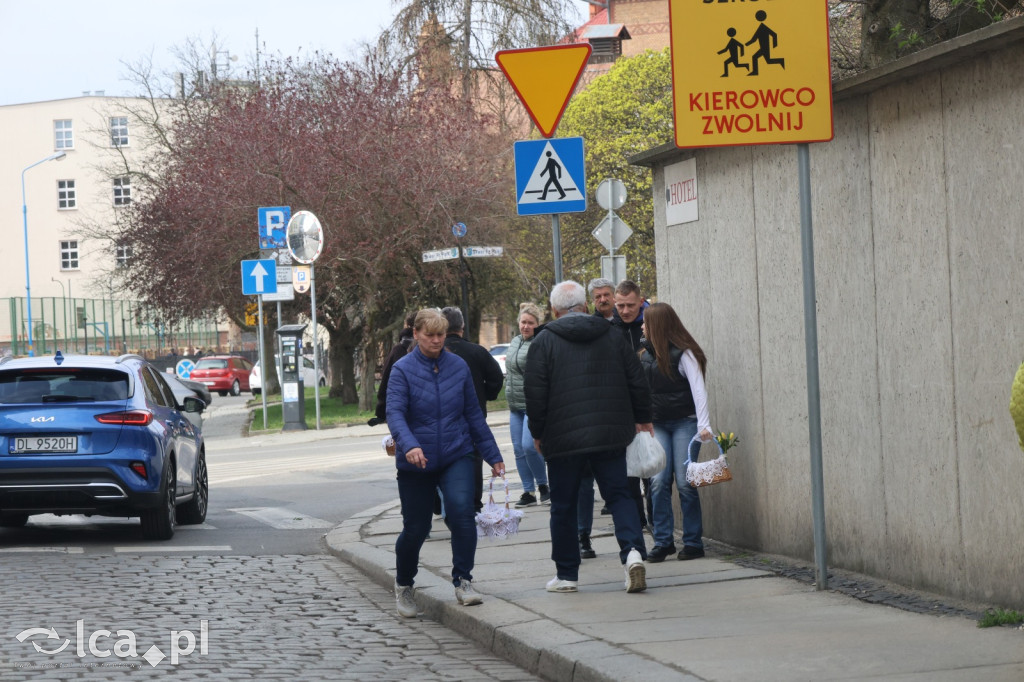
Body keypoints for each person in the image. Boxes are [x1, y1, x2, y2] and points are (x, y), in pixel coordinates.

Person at [525, 281, 652, 594]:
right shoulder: (611, 335)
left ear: (555, 310)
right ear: (584, 305)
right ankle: (633, 552)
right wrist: (642, 419)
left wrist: (537, 433)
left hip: (562, 438)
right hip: (611, 433)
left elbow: (535, 393)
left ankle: (567, 574)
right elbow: (636, 379)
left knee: (564, 506)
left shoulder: (543, 342)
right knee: (620, 496)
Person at [387, 308, 505, 617]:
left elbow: (472, 414)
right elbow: (395, 414)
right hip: (417, 461)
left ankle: (464, 581)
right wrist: (409, 445)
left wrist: (493, 455)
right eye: (430, 335)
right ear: (416, 334)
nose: (437, 340)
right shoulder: (402, 370)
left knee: (462, 512)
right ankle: (404, 585)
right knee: (416, 527)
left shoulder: (459, 366)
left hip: (457, 452)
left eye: (441, 335)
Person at [639, 302, 713, 562]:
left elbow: (698, 389)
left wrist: (703, 425)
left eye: (646, 322)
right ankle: (663, 541)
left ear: (657, 326)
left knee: (685, 482)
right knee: (658, 483)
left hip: (685, 423)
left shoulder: (685, 354)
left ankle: (693, 542)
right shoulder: (645, 356)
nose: (642, 326)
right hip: (657, 425)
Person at [440, 307, 504, 512]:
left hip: (442, 416)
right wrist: (485, 394)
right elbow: (495, 377)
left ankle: (443, 504)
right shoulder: (477, 351)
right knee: (473, 458)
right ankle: (474, 503)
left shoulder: (433, 352)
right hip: (474, 414)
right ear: (462, 327)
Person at [612, 279, 654, 531]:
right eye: (620, 306)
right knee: (628, 474)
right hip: (621, 411)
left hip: (650, 408)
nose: (625, 311)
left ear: (640, 301)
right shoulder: (609, 330)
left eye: (630, 305)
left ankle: (653, 520)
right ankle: (637, 523)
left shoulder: (651, 326)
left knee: (650, 470)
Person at [505, 302, 550, 508]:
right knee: (518, 450)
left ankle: (543, 487)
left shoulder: (540, 343)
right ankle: (528, 491)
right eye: (523, 322)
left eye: (530, 323)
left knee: (529, 446)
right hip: (515, 405)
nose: (525, 326)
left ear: (537, 324)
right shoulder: (515, 342)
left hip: (532, 404)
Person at [369, 310, 417, 426]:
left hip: (402, 409)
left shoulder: (398, 350)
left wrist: (382, 411)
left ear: (406, 325)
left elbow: (386, 380)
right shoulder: (436, 350)